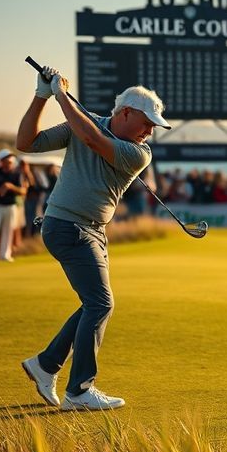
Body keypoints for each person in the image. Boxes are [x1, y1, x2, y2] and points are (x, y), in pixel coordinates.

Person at [17, 66, 169, 411]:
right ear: (125, 113)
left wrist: (62, 97)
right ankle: (79, 391)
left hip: (92, 232)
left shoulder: (139, 153)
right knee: (100, 304)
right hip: (67, 226)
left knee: (94, 303)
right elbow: (25, 143)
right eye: (147, 123)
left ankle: (46, 365)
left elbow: (93, 140)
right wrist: (42, 97)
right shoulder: (82, 124)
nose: (149, 132)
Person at [0, 149, 26, 261]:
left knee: (8, 231)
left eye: (10, 161)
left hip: (10, 206)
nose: (9, 163)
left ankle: (5, 255)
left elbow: (23, 191)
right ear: (1, 161)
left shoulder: (17, 174)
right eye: (6, 161)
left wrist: (11, 187)